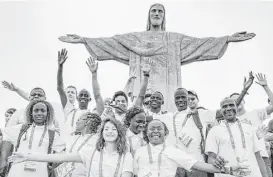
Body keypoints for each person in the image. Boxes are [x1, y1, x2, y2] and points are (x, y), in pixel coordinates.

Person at [59, 3, 255, 112]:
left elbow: (199, 44)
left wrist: (227, 39)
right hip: (140, 87)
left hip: (167, 89)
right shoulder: (135, 39)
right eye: (153, 11)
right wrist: (84, 40)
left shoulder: (174, 40)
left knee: (167, 111)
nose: (157, 14)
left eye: (160, 11)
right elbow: (111, 43)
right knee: (139, 111)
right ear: (148, 16)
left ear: (164, 17)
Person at [8, 118, 134, 177]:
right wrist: (27, 156)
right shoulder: (90, 153)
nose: (110, 131)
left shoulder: (126, 156)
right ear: (101, 133)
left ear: (119, 133)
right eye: (106, 129)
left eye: (113, 129)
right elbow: (59, 157)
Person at [133, 119, 247, 177]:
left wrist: (229, 170)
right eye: (152, 129)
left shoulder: (172, 151)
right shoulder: (138, 151)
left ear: (165, 133)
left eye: (159, 128)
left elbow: (199, 165)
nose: (156, 131)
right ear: (146, 133)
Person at [0, 100, 65, 177]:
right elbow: (6, 137)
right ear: (31, 113)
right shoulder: (21, 128)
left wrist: (53, 168)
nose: (39, 113)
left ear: (47, 113)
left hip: (40, 172)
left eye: (43, 110)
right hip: (17, 171)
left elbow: (62, 153)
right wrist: (3, 160)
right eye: (36, 110)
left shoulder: (53, 134)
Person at [206, 97, 268, 177]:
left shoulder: (249, 128)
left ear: (236, 108)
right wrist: (215, 162)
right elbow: (211, 159)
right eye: (224, 106)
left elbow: (258, 157)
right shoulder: (214, 131)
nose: (228, 108)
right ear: (221, 111)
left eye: (231, 105)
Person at [230, 73, 273, 177]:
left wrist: (265, 86)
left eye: (239, 98)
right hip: (241, 160)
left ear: (244, 100)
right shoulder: (229, 121)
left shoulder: (255, 114)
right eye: (233, 101)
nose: (237, 102)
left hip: (262, 157)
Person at [65, 112, 101, 177]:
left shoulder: (95, 140)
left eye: (79, 119)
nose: (76, 122)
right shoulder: (77, 138)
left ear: (87, 122)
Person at [57, 48, 78, 118]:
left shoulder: (78, 111)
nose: (70, 94)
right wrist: (60, 66)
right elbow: (60, 88)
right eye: (68, 92)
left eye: (72, 92)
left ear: (76, 96)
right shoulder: (65, 106)